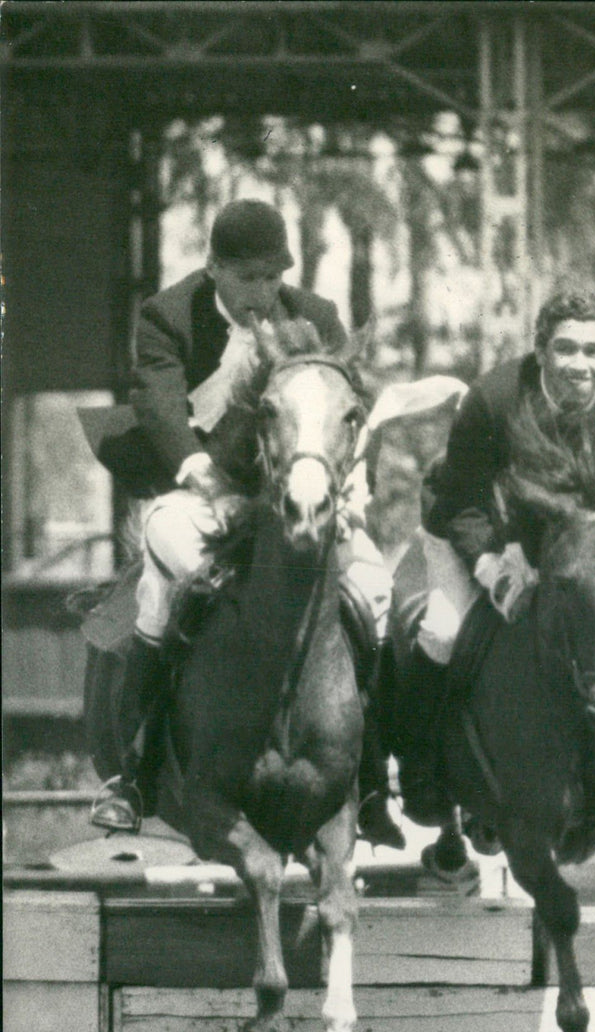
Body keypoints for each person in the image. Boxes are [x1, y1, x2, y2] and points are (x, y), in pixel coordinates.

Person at [89, 199, 401, 847]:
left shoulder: (314, 316)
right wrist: (201, 471)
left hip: (300, 489)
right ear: (213, 269)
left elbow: (350, 406)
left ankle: (372, 779)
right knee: (161, 589)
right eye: (249, 277)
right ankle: (131, 771)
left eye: (273, 276)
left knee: (375, 595)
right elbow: (160, 407)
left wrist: (357, 480)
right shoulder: (167, 316)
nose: (264, 293)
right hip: (202, 486)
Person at [394, 287, 595, 826]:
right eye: (566, 349)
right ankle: (421, 768)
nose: (580, 366)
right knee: (444, 631)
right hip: (477, 526)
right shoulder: (493, 398)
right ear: (541, 351)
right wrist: (494, 568)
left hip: (577, 538)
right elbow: (463, 502)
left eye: (594, 352)